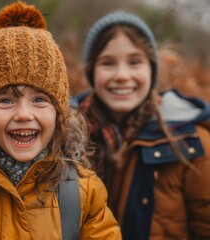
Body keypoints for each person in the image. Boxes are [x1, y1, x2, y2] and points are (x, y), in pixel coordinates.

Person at [0, 2, 121, 239]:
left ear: (58, 113)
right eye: (5, 101)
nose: (23, 114)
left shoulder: (84, 192)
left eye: (39, 100)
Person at [79, 10, 210, 239]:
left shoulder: (191, 142)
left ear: (151, 69)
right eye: (108, 63)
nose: (122, 75)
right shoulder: (65, 137)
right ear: (92, 72)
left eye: (135, 62)